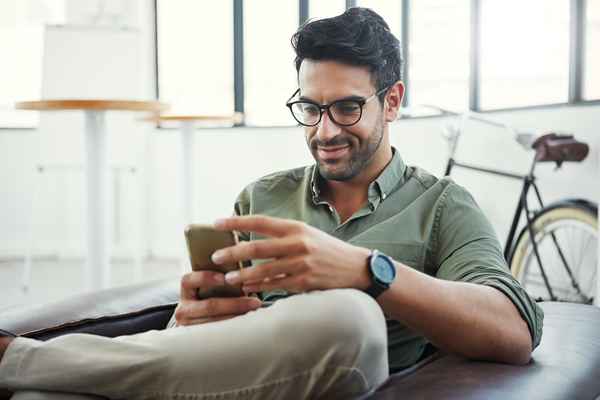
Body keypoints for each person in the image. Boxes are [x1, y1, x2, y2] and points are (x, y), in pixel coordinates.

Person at [0, 7, 542, 400]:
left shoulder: (443, 205)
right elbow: (212, 335)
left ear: (392, 101)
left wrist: (367, 273)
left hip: (346, 372)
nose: (324, 130)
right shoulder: (263, 197)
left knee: (348, 314)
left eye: (347, 108)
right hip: (243, 382)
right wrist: (190, 321)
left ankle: (19, 359)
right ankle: (31, 372)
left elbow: (513, 329)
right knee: (43, 398)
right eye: (309, 108)